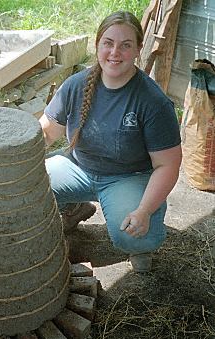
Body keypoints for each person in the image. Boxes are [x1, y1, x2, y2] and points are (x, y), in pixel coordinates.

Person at [39, 10, 182, 273]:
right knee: (30, 187)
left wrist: (144, 210)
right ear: (98, 46)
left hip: (128, 176)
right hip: (78, 168)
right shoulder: (76, 85)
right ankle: (74, 207)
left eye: (125, 45)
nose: (115, 52)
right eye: (108, 43)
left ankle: (143, 222)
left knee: (133, 235)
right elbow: (47, 133)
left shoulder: (153, 102)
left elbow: (168, 165)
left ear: (138, 49)